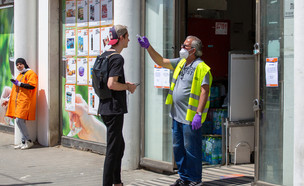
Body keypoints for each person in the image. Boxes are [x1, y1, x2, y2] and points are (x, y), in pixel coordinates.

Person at [138, 36, 212, 186]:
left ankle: (195, 180)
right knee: (178, 149)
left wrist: (198, 113)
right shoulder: (181, 63)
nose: (182, 48)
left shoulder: (201, 67)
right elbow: (161, 61)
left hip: (190, 117)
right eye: (183, 44)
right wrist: (148, 47)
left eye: (185, 46)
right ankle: (184, 177)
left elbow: (204, 91)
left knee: (191, 149)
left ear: (194, 50)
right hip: (177, 116)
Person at [100, 25, 137, 186]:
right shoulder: (117, 58)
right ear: (121, 38)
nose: (129, 40)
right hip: (114, 109)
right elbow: (111, 84)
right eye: (127, 37)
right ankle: (109, 183)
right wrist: (128, 87)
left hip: (105, 106)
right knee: (113, 149)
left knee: (119, 146)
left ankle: (117, 181)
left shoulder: (104, 55)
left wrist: (123, 84)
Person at [1, 58, 38, 150]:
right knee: (20, 121)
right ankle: (23, 141)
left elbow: (32, 86)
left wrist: (19, 84)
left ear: (24, 64)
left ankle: (29, 141)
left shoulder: (31, 73)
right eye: (17, 65)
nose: (19, 66)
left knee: (19, 121)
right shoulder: (20, 74)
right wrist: (8, 99)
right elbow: (15, 89)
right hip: (18, 102)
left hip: (25, 101)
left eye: (20, 64)